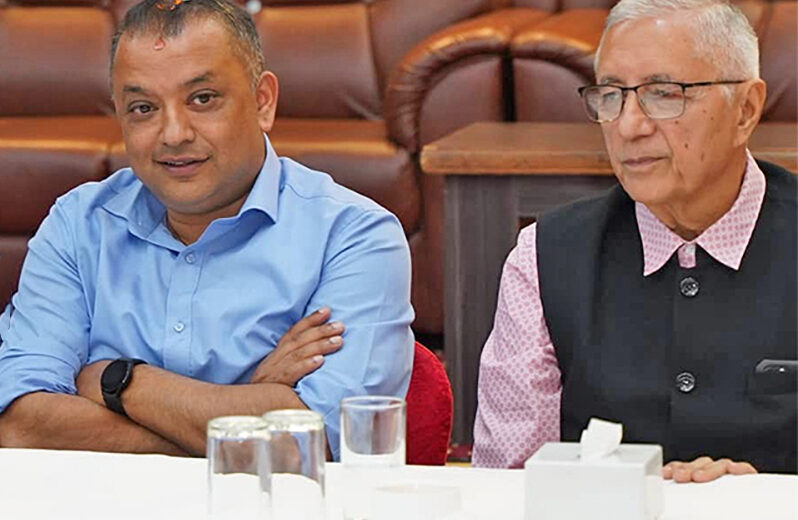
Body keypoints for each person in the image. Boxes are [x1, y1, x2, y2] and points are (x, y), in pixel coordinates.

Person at [0, 0, 414, 460]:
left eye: (203, 99)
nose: (174, 133)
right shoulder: (78, 224)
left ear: (262, 101)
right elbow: (20, 425)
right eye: (142, 108)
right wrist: (241, 411)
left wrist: (118, 382)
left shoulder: (354, 236)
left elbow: (321, 443)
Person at [473, 0, 796, 482]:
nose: (628, 126)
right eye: (610, 96)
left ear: (745, 110)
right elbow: (508, 484)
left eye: (663, 94)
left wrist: (765, 499)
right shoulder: (543, 259)